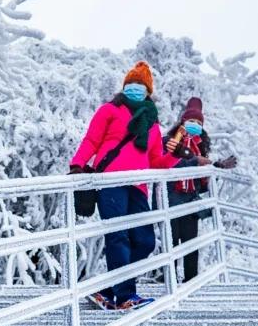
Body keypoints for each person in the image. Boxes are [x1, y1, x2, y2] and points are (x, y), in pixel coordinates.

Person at [69, 61, 181, 311]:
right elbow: (92, 140)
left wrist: (177, 154)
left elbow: (156, 162)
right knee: (118, 237)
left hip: (138, 185)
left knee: (144, 241)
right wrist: (77, 164)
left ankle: (108, 291)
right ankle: (126, 296)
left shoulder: (152, 123)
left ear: (148, 91)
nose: (135, 88)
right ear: (124, 86)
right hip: (110, 181)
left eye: (140, 85)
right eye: (131, 84)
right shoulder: (109, 110)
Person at [162, 97, 237, 282]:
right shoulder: (168, 141)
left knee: (190, 244)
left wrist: (215, 168)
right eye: (191, 121)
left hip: (190, 201)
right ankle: (168, 282)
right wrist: (196, 161)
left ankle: (191, 282)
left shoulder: (200, 148)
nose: (194, 125)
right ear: (182, 122)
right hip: (170, 200)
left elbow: (202, 184)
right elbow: (167, 164)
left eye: (198, 122)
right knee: (170, 244)